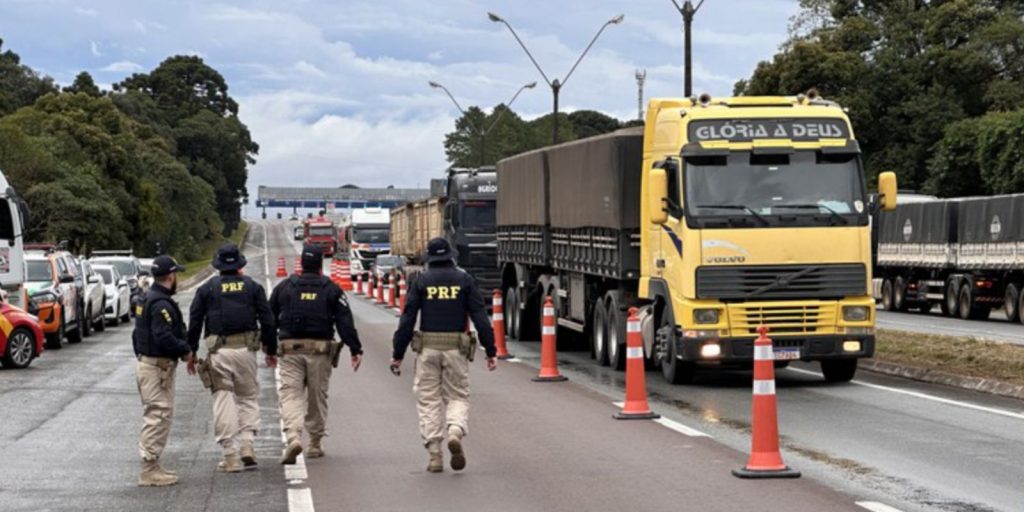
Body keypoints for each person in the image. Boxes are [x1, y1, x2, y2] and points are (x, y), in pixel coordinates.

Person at [391, 237, 497, 473]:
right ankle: (455, 430)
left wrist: (397, 353)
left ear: (429, 257)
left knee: (429, 400)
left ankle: (435, 455)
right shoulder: (465, 280)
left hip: (428, 348)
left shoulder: (421, 281)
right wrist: (491, 350)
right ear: (450, 255)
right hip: (456, 349)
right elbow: (480, 317)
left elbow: (407, 319)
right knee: (457, 396)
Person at [188, 244, 277, 473]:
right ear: (239, 265)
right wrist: (271, 349)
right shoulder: (253, 287)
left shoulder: (207, 289)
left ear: (218, 266)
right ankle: (247, 444)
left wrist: (190, 352)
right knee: (247, 397)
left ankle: (230, 455)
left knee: (223, 399)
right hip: (246, 351)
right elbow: (268, 320)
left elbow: (195, 322)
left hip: (219, 352)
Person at [270, 244, 363, 464]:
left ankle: (293, 435)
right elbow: (345, 322)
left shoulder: (285, 287)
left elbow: (269, 317)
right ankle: (314, 443)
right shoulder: (330, 288)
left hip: (289, 350)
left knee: (290, 394)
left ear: (302, 263)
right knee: (316, 395)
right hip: (319, 352)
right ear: (321, 264)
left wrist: (267, 346)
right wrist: (354, 348)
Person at [132, 255, 191, 487]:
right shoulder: (160, 304)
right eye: (177, 274)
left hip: (150, 364)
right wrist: (185, 350)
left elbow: (136, 335)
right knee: (158, 415)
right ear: (171, 276)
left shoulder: (147, 298)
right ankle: (148, 469)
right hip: (156, 368)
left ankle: (154, 464)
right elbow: (163, 335)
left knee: (159, 414)